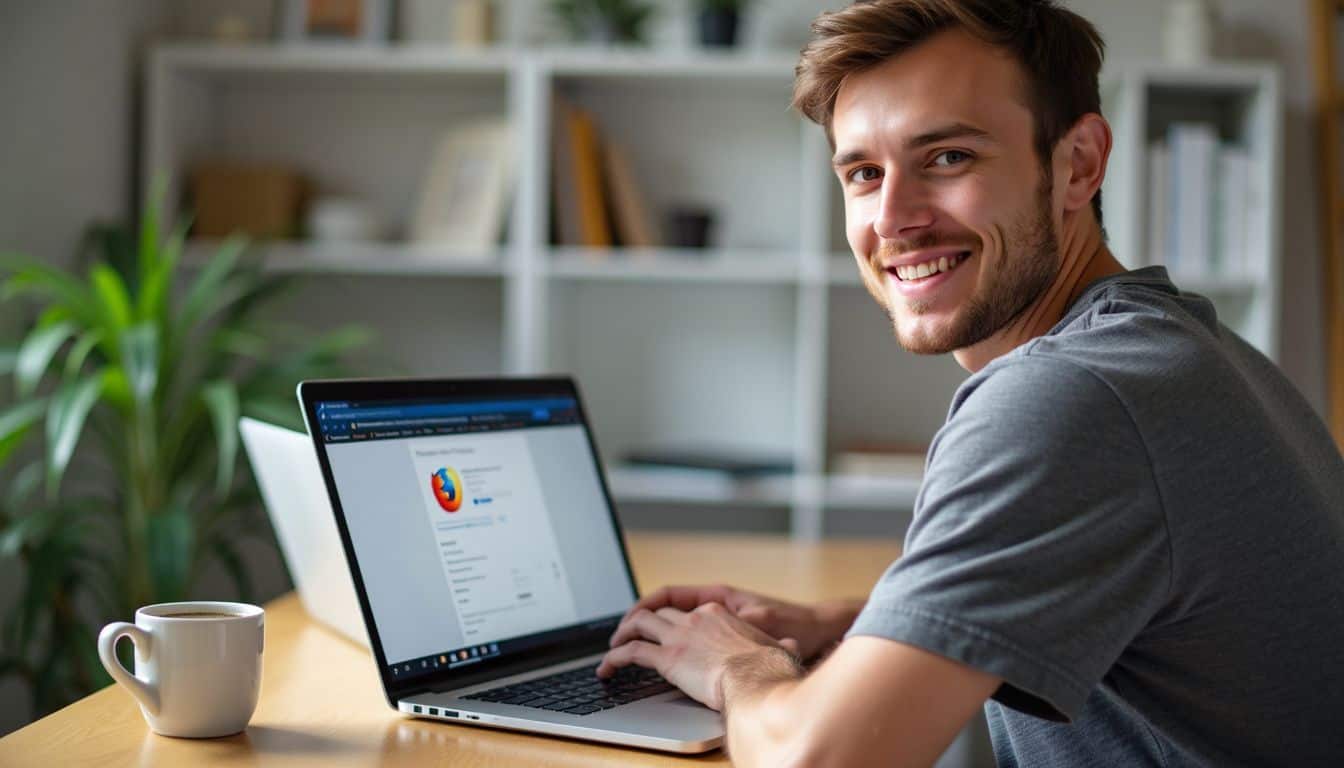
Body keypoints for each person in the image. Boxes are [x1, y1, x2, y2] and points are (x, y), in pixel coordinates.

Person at [595, 1, 1344, 765]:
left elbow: (819, 759)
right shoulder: (1179, 349)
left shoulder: (1072, 397)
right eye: (862, 172)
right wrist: (862, 630)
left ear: (1078, 164)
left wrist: (737, 665)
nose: (892, 219)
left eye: (948, 157)